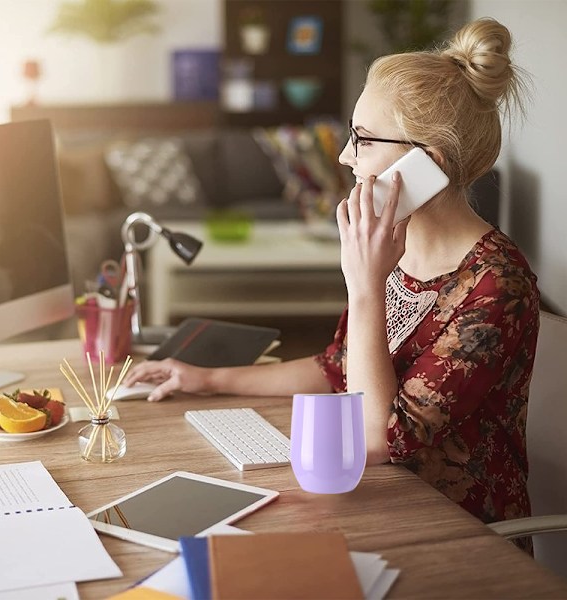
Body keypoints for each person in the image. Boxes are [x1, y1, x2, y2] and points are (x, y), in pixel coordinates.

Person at [124, 17, 539, 542]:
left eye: (362, 140)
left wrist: (365, 286)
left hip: (454, 534)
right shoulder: (395, 246)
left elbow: (375, 438)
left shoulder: (498, 284)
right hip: (373, 502)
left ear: (426, 163)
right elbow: (338, 370)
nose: (345, 156)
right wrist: (206, 380)